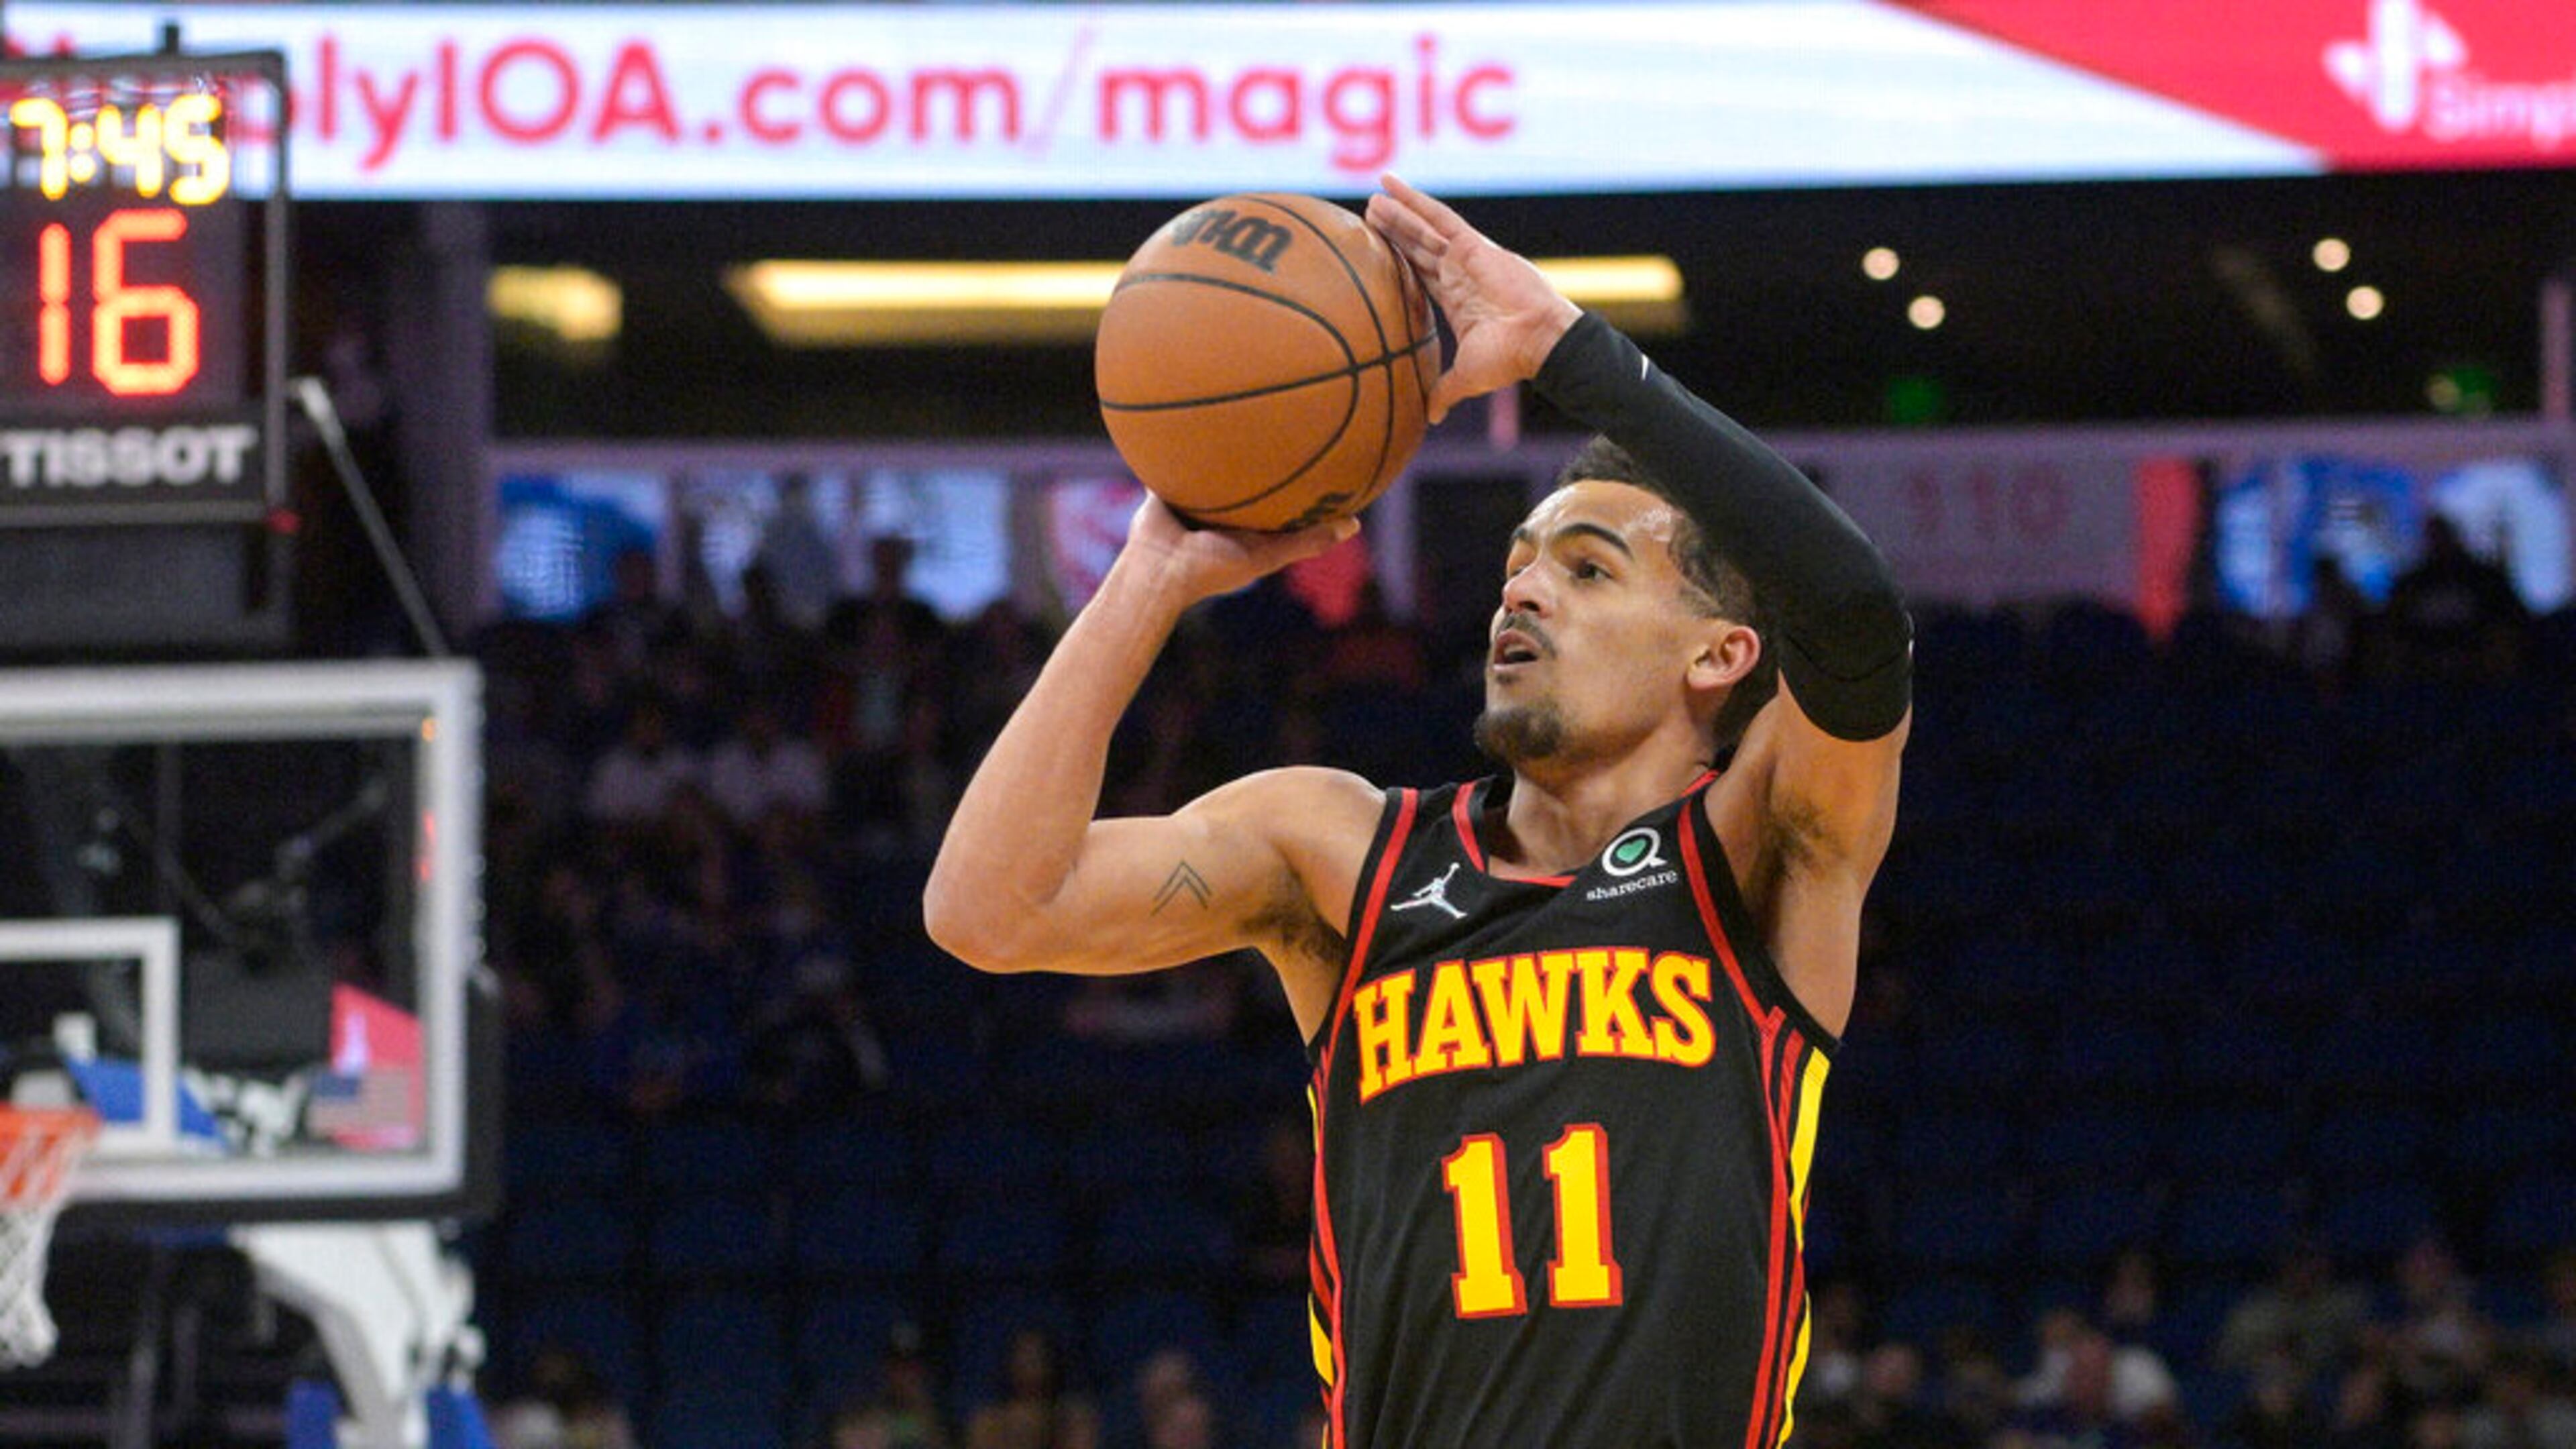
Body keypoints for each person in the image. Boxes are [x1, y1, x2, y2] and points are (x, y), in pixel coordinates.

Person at [925, 174, 1911, 1448]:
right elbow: (986, 910)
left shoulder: (1760, 852)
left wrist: (1572, 351)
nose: (1525, 594)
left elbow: (1852, 618)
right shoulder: (1341, 852)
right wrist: (1153, 575)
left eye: (1587, 568)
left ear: (1720, 655)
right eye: (1517, 566)